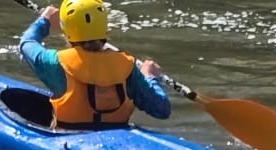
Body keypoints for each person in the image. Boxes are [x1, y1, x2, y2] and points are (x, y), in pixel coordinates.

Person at [19, 0, 171, 129]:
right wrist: (150, 77)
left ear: (66, 31)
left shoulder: (55, 63)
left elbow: (26, 44)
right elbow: (162, 110)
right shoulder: (127, 66)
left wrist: (44, 21)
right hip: (114, 140)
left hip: (68, 140)